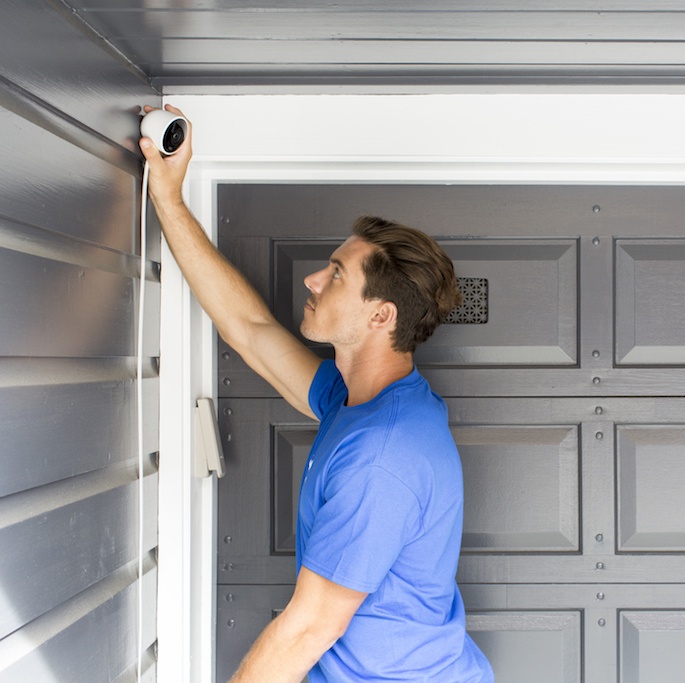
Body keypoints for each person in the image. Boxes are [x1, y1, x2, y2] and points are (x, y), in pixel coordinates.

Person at [140, 105, 494, 683]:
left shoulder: (383, 456)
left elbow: (309, 629)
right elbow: (250, 332)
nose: (311, 279)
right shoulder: (360, 400)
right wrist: (168, 199)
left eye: (335, 274)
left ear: (380, 315)